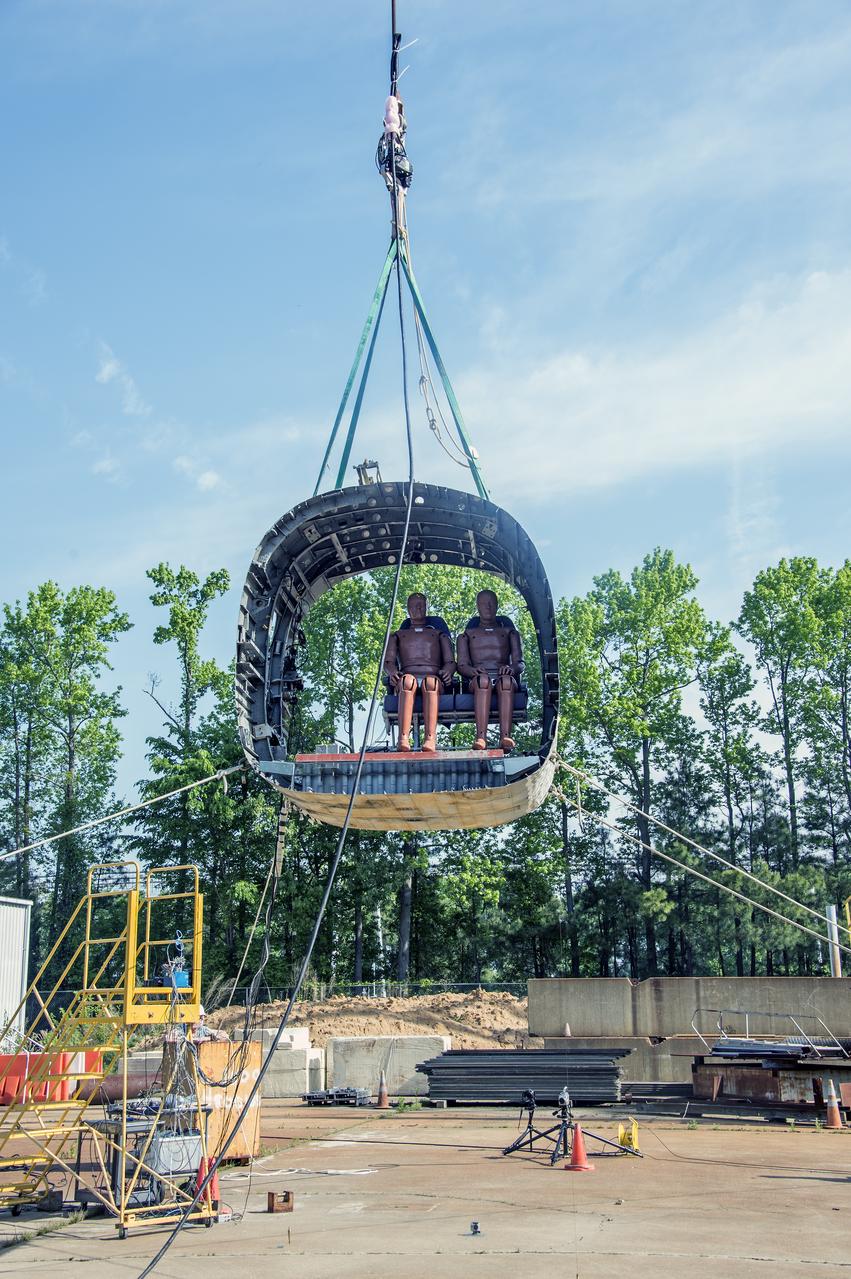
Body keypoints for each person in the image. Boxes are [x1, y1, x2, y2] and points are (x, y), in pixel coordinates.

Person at [384, 592, 455, 752]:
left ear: (427, 607)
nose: (418, 608)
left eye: (421, 605)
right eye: (414, 606)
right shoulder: (398, 635)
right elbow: (388, 661)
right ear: (408, 609)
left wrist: (447, 671)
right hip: (408, 676)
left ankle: (430, 737)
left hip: (433, 676)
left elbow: (450, 661)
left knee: (431, 682)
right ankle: (403, 737)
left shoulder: (438, 634)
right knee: (406, 681)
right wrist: (392, 671)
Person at [456, 589, 524, 752]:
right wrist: (473, 671)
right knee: (483, 681)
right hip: (478, 679)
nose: (487, 607)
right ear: (477, 607)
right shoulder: (466, 635)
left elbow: (520, 663)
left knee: (506, 682)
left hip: (503, 677)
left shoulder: (509, 633)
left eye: (491, 603)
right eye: (483, 604)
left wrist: (511, 669)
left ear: (497, 606)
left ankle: (505, 735)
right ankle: (481, 736)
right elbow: (462, 665)